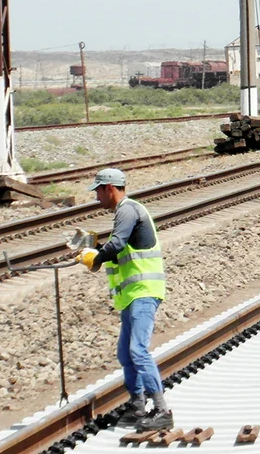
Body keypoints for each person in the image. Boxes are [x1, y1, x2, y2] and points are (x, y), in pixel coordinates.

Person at [78, 168, 172, 431]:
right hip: (132, 296)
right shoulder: (123, 213)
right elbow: (118, 249)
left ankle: (163, 410)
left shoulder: (127, 210)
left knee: (137, 351)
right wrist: (92, 251)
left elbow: (117, 245)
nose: (96, 197)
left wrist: (94, 258)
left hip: (144, 292)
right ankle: (138, 406)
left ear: (109, 188)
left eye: (97, 190)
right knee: (125, 353)